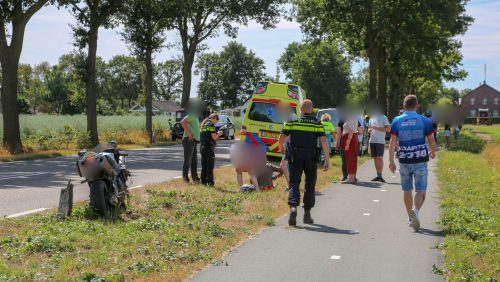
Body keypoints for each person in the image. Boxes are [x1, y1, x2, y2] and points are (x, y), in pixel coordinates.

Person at [278, 99, 330, 226]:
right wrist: (327, 160)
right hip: (311, 157)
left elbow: (282, 137)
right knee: (310, 185)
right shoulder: (317, 123)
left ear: (300, 109)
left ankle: (293, 208)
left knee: (294, 183)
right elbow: (324, 141)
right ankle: (307, 214)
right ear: (311, 109)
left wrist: (281, 146)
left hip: (294, 157)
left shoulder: (293, 121)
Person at [389, 95, 436, 231]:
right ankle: (415, 211)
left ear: (404, 106)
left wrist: (391, 161)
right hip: (420, 158)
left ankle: (410, 217)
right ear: (417, 105)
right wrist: (433, 151)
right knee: (421, 189)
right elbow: (431, 139)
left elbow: (392, 142)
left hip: (404, 159)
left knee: (407, 189)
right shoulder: (424, 120)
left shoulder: (397, 120)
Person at [335, 116, 362, 182]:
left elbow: (339, 133)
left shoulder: (343, 120)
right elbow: (360, 131)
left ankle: (347, 177)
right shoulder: (356, 120)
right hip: (353, 139)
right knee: (352, 158)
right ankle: (352, 177)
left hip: (348, 140)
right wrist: (356, 133)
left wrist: (338, 143)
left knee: (346, 159)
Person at [200, 113, 223, 186]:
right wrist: (219, 133)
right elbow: (214, 137)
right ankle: (210, 182)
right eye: (216, 121)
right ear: (214, 118)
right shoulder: (211, 125)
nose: (216, 123)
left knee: (204, 165)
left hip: (202, 147)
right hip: (208, 148)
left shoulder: (204, 123)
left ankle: (203, 181)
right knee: (210, 166)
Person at [368, 109, 391, 182]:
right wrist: (369, 130)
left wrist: (376, 128)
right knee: (375, 158)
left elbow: (388, 129)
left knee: (380, 158)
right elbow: (369, 127)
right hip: (372, 140)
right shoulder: (371, 118)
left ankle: (380, 175)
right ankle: (378, 175)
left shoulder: (383, 117)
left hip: (380, 141)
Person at [180, 103, 201, 183]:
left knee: (194, 161)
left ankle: (195, 178)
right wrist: (189, 133)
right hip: (189, 140)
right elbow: (182, 122)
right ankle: (185, 179)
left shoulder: (195, 116)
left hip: (194, 140)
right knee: (188, 160)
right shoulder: (191, 115)